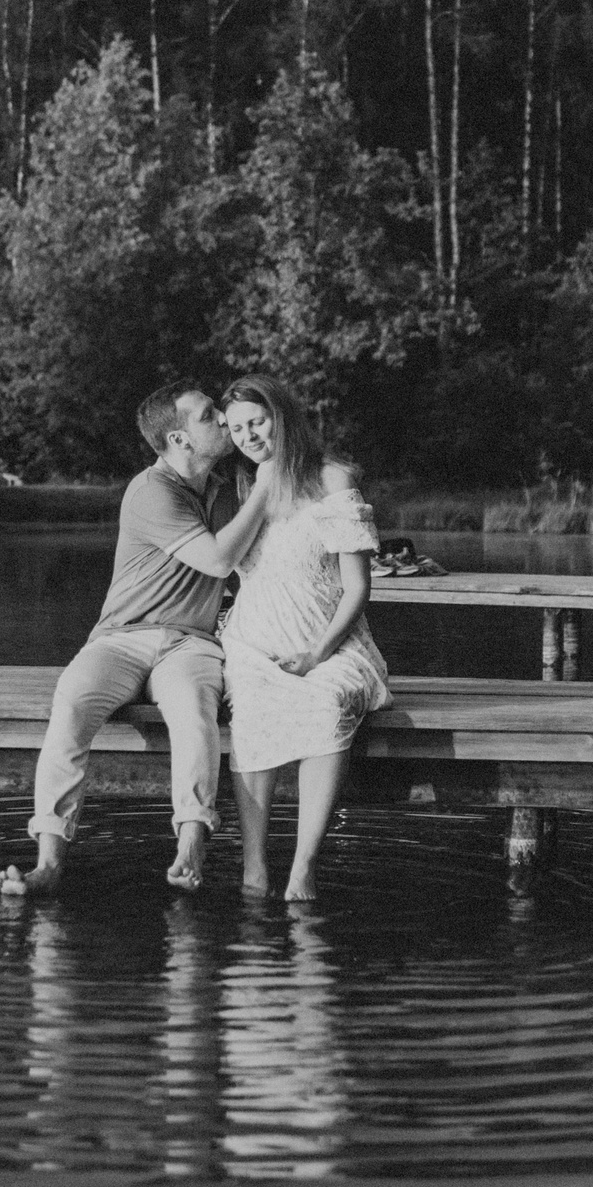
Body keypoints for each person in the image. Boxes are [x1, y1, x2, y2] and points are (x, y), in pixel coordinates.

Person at [0, 383, 270, 898]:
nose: (222, 418)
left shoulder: (227, 486)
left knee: (194, 710)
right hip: (121, 638)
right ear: (179, 439)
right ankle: (48, 863)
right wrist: (264, 490)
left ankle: (191, 845)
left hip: (190, 643)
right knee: (71, 702)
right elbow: (217, 560)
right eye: (208, 415)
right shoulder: (151, 492)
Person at [216, 375, 391, 901]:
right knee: (252, 707)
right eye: (237, 429)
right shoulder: (244, 485)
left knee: (326, 700)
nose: (248, 437)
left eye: (257, 422)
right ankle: (254, 867)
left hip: (327, 643)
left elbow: (357, 588)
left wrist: (317, 654)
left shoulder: (333, 480)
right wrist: (262, 486)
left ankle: (302, 868)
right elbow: (222, 560)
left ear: (283, 416)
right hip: (253, 641)